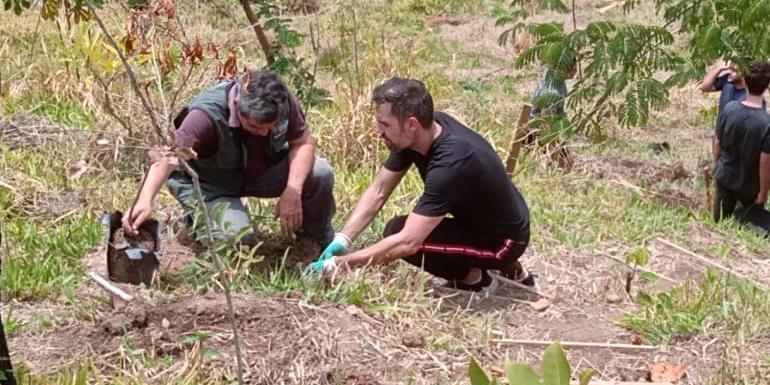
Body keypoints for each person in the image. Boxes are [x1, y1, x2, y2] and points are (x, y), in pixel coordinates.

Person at [307, 77, 533, 292]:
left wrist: (340, 264)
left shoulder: (452, 161)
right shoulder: (423, 132)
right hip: (489, 221)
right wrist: (343, 239)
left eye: (384, 124)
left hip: (504, 242)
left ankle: (477, 280)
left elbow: (407, 243)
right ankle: (503, 267)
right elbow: (378, 190)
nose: (378, 132)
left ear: (411, 124)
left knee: (397, 234)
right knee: (398, 230)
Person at [122, 69, 335, 247]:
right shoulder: (204, 117)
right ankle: (196, 222)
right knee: (237, 238)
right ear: (238, 107)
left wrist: (293, 190)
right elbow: (167, 158)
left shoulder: (279, 98)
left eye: (270, 127)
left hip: (260, 173)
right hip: (211, 184)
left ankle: (313, 242)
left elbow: (303, 142)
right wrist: (144, 200)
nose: (263, 133)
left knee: (320, 172)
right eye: (255, 126)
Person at [713, 60, 770, 236]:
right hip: (749, 184)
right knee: (748, 228)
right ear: (767, 86)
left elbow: (717, 142)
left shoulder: (729, 109)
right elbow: (765, 161)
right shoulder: (766, 123)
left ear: (744, 80)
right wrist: (763, 192)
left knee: (719, 223)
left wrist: (718, 166)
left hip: (725, 176)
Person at [526, 60, 578, 168]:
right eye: (574, 67)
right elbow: (545, 121)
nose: (576, 71)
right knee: (567, 163)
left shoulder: (552, 74)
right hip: (535, 132)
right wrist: (554, 148)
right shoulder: (553, 92)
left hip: (544, 127)